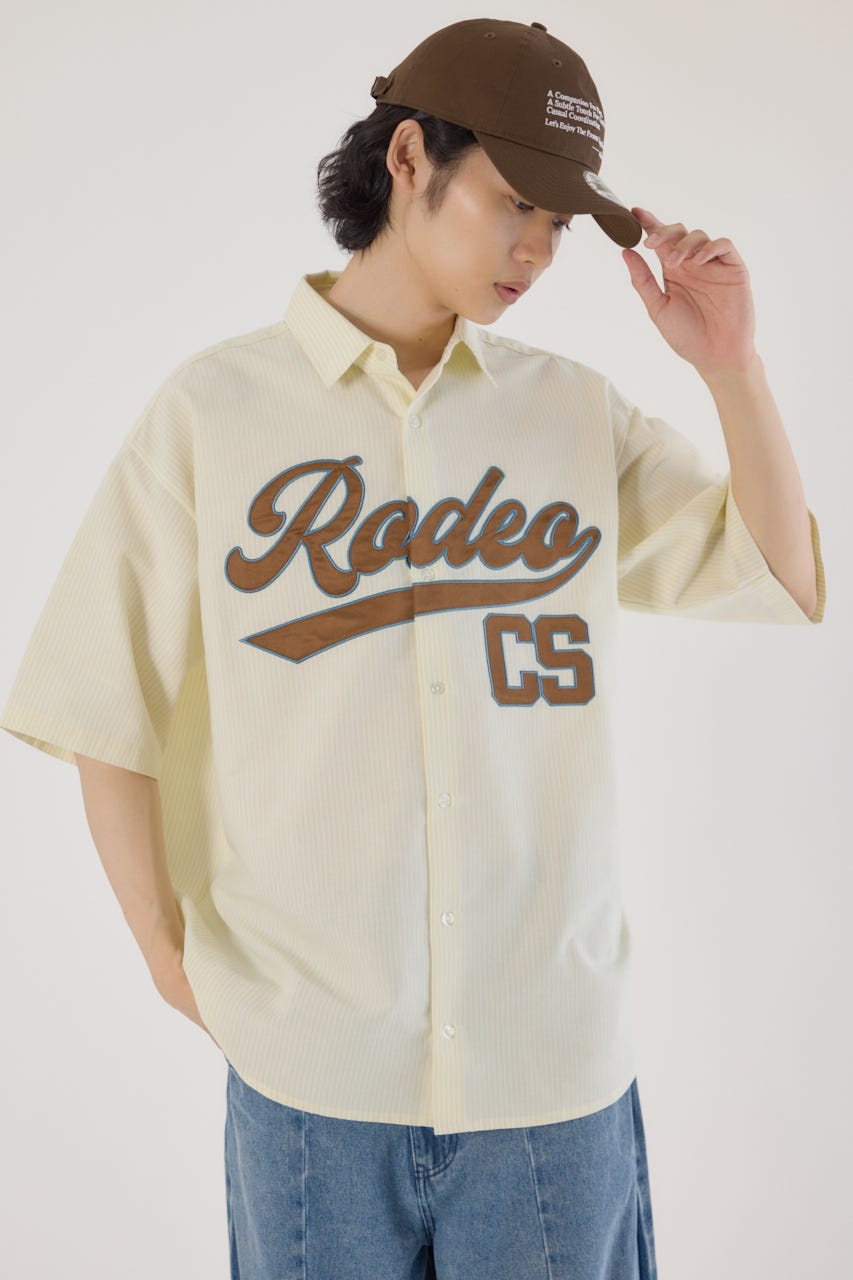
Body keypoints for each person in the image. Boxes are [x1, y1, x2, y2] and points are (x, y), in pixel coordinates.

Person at [1, 18, 825, 1280]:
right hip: (310, 1089)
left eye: (559, 221)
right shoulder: (215, 411)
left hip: (550, 1084)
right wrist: (173, 967)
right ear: (406, 159)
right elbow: (100, 700)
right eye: (514, 203)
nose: (537, 249)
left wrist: (733, 368)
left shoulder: (567, 412)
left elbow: (781, 574)